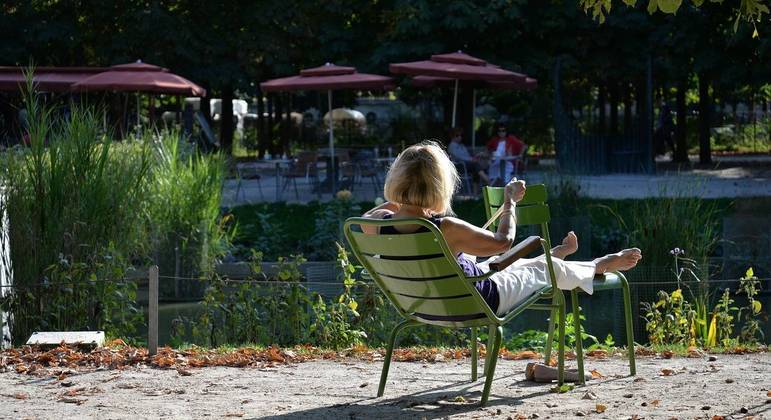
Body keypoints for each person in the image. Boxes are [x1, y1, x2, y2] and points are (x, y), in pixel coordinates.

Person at [362, 140, 642, 318]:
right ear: (440, 185)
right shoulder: (445, 228)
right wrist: (509, 202)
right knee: (545, 269)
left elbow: (372, 215)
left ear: (396, 180)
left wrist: (404, 198)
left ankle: (550, 256)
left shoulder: (375, 224)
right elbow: (503, 241)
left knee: (501, 264)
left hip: (422, 306)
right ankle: (596, 265)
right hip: (476, 302)